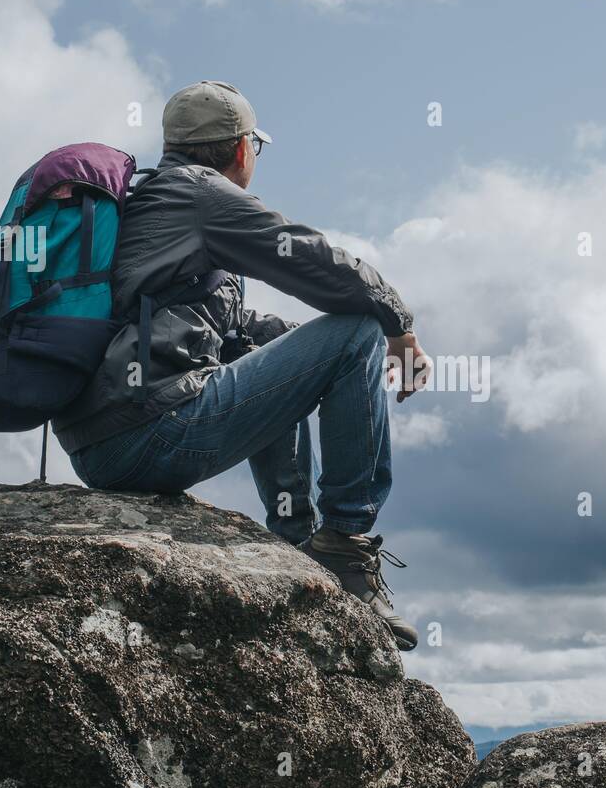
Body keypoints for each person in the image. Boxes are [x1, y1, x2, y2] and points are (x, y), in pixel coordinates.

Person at [53, 81, 428, 651]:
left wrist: (303, 352)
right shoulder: (201, 195)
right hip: (149, 432)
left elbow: (221, 330)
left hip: (100, 445)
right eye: (256, 145)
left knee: (286, 349)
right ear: (240, 149)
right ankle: (346, 543)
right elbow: (310, 258)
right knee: (357, 330)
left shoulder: (146, 203)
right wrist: (398, 324)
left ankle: (298, 542)